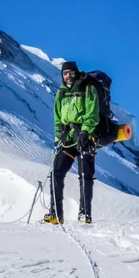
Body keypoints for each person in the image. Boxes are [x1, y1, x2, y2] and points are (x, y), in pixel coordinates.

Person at [44, 61, 99, 225]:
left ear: (76, 72)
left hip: (85, 136)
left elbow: (93, 112)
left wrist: (85, 131)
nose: (68, 76)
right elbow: (57, 118)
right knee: (56, 173)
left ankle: (84, 213)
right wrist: (57, 138)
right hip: (67, 138)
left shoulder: (87, 88)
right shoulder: (61, 93)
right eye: (65, 73)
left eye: (71, 73)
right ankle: (55, 213)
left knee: (85, 175)